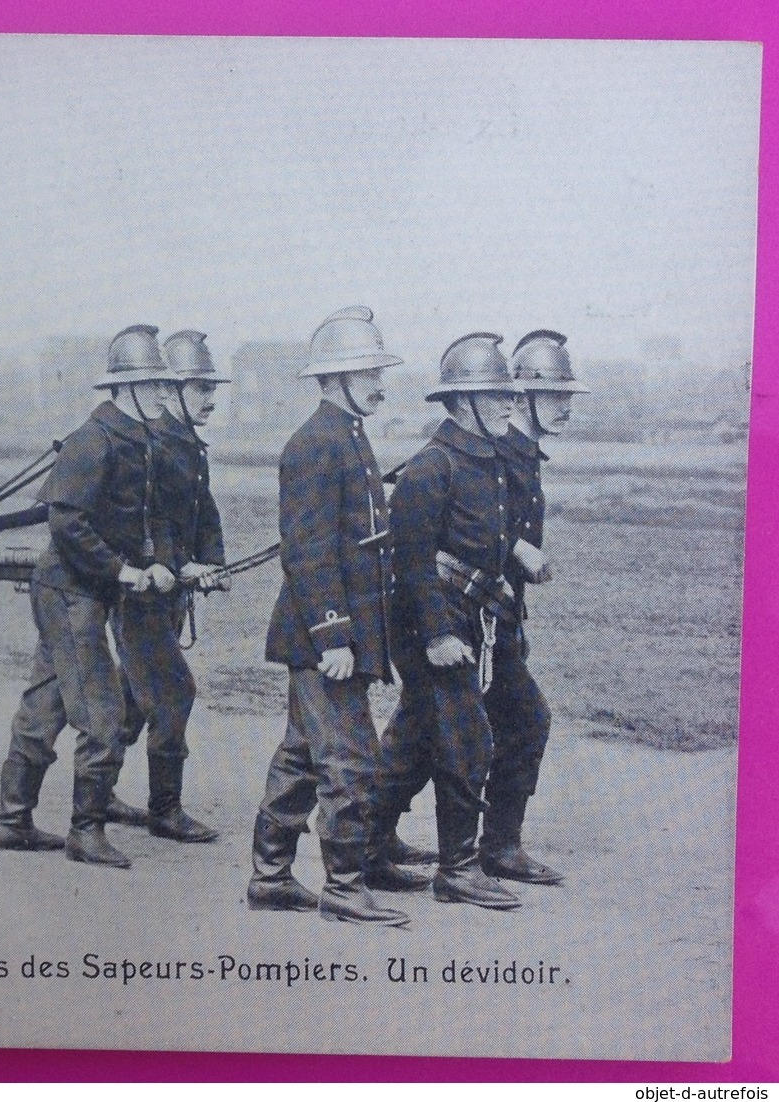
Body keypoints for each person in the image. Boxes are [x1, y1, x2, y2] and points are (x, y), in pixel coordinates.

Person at [0, 325, 181, 869]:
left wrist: (163, 565)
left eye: (167, 385)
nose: (167, 394)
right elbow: (66, 520)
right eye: (156, 384)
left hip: (89, 589)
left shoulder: (143, 440)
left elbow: (150, 517)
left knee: (44, 704)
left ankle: (12, 821)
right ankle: (85, 831)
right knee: (100, 710)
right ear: (125, 388)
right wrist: (121, 572)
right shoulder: (91, 441)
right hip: (68, 590)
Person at [246, 307, 411, 926]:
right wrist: (333, 634)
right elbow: (308, 551)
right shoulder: (315, 444)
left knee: (301, 753)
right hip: (323, 636)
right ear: (334, 378)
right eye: (367, 372)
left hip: (338, 632)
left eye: (375, 371)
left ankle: (269, 876)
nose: (378, 383)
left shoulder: (347, 435)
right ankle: (343, 887)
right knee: (349, 759)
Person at [382, 332, 526, 910]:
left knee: (418, 734)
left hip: (470, 614)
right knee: (466, 736)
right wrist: (440, 633)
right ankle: (459, 868)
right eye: (496, 396)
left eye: (509, 395)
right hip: (430, 622)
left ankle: (367, 846)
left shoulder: (487, 460)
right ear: (462, 401)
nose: (508, 405)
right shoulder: (431, 467)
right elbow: (411, 562)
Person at [477, 329, 589, 885]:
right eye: (557, 396)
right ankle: (498, 846)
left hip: (495, 616)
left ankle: (375, 835)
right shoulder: (497, 454)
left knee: (428, 728)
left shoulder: (521, 454)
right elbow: (456, 528)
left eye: (569, 397)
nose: (566, 406)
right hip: (469, 615)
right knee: (525, 719)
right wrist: (511, 550)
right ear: (520, 397)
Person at [106, 329, 226, 844]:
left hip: (167, 589)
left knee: (138, 696)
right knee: (175, 691)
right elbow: (143, 525)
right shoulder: (151, 448)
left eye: (209, 387)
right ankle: (165, 810)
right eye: (199, 388)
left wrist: (209, 562)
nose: (211, 398)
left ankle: (98, 793)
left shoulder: (186, 447)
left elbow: (203, 513)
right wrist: (179, 565)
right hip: (139, 593)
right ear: (171, 391)